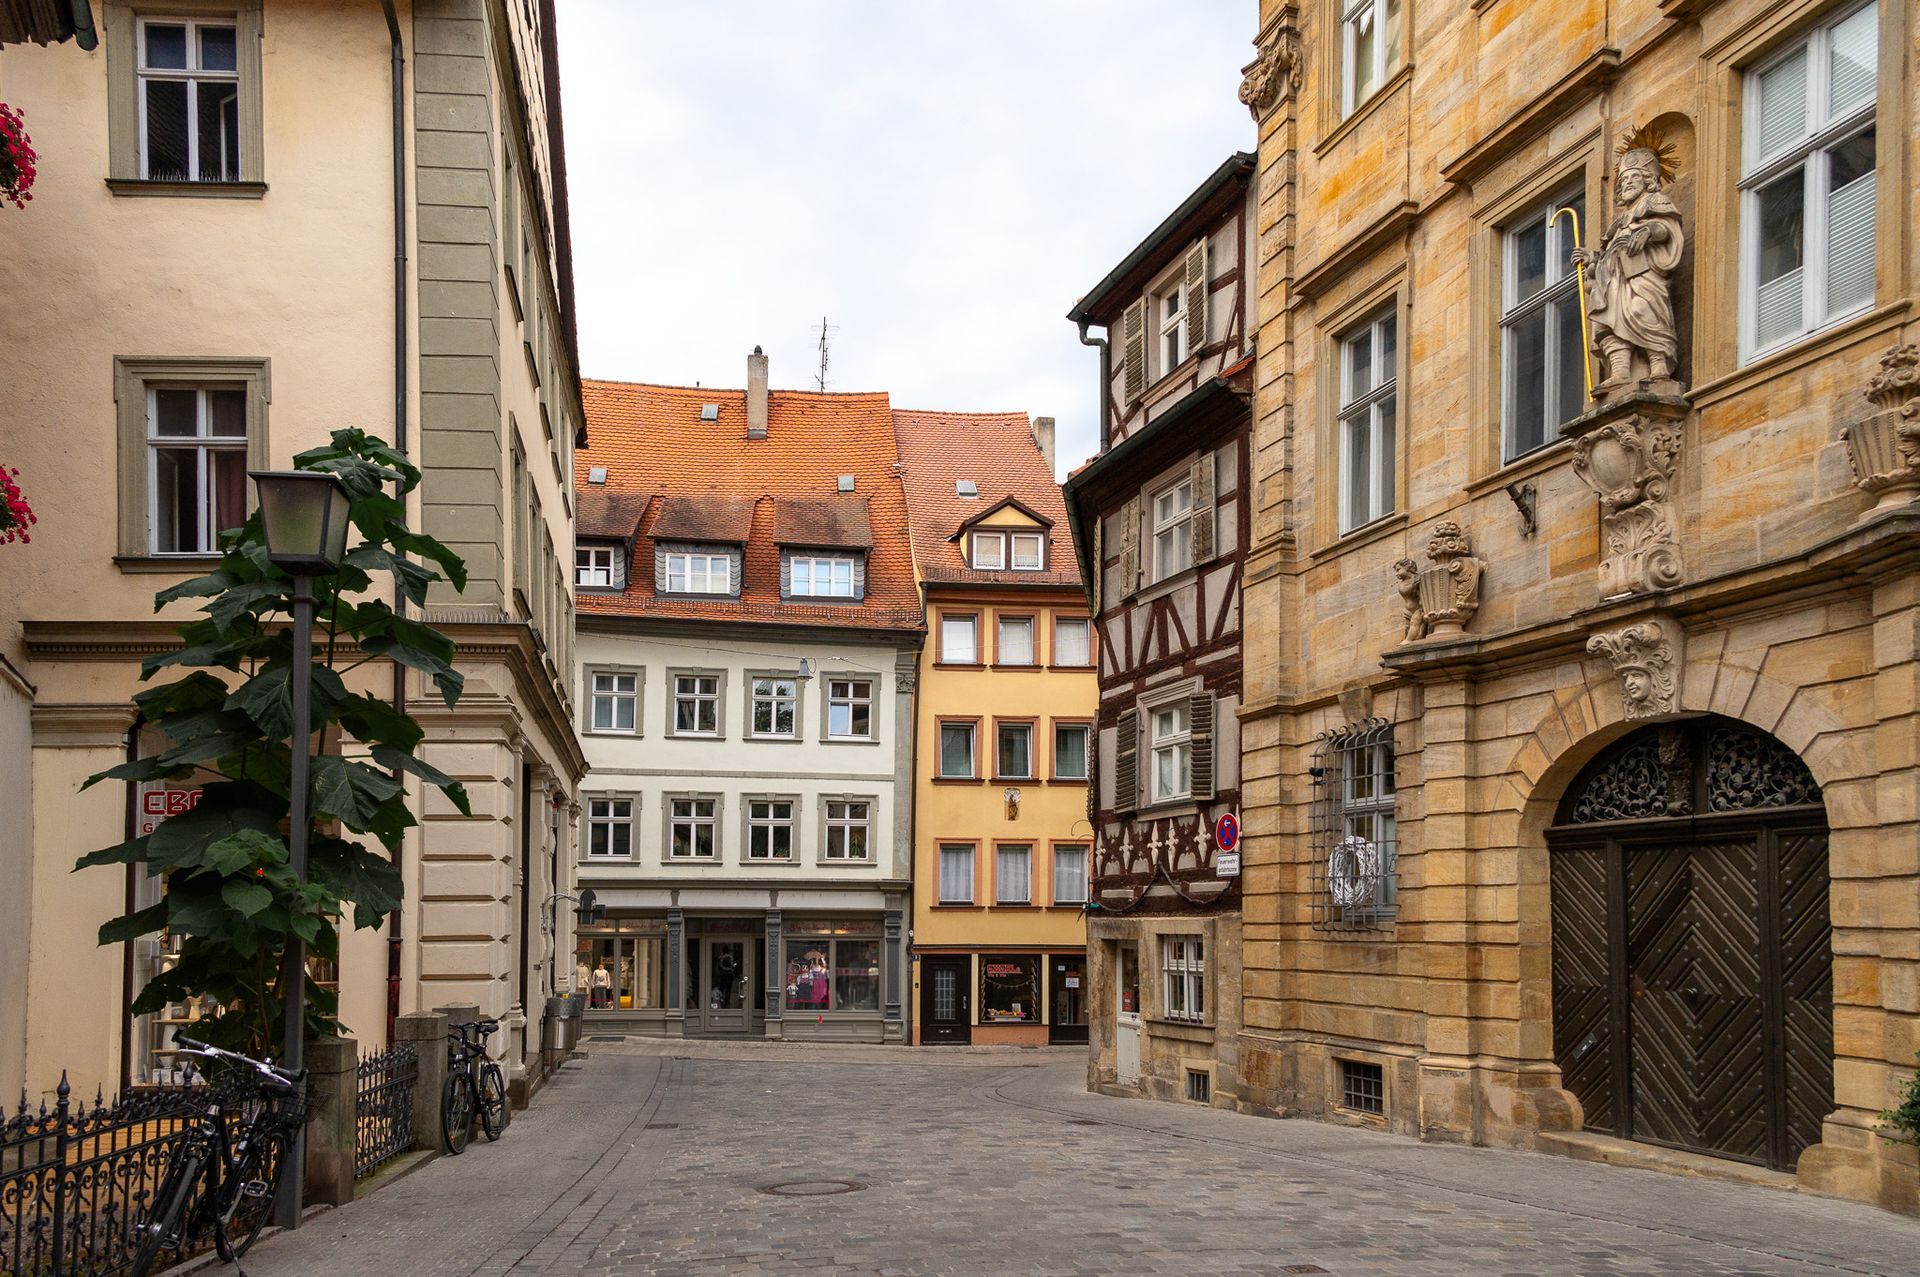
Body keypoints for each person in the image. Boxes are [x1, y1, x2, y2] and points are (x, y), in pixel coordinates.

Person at [1571, 142, 1684, 396]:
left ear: (1648, 180)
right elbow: (1608, 248)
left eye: (1635, 177)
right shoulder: (1620, 221)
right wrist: (1592, 258)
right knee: (1608, 322)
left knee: (1643, 311)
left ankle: (1658, 367)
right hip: (1613, 278)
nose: (1629, 182)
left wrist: (1647, 231)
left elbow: (1666, 229)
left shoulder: (1654, 202)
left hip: (1642, 273)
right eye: (1625, 178)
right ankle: (1620, 370)